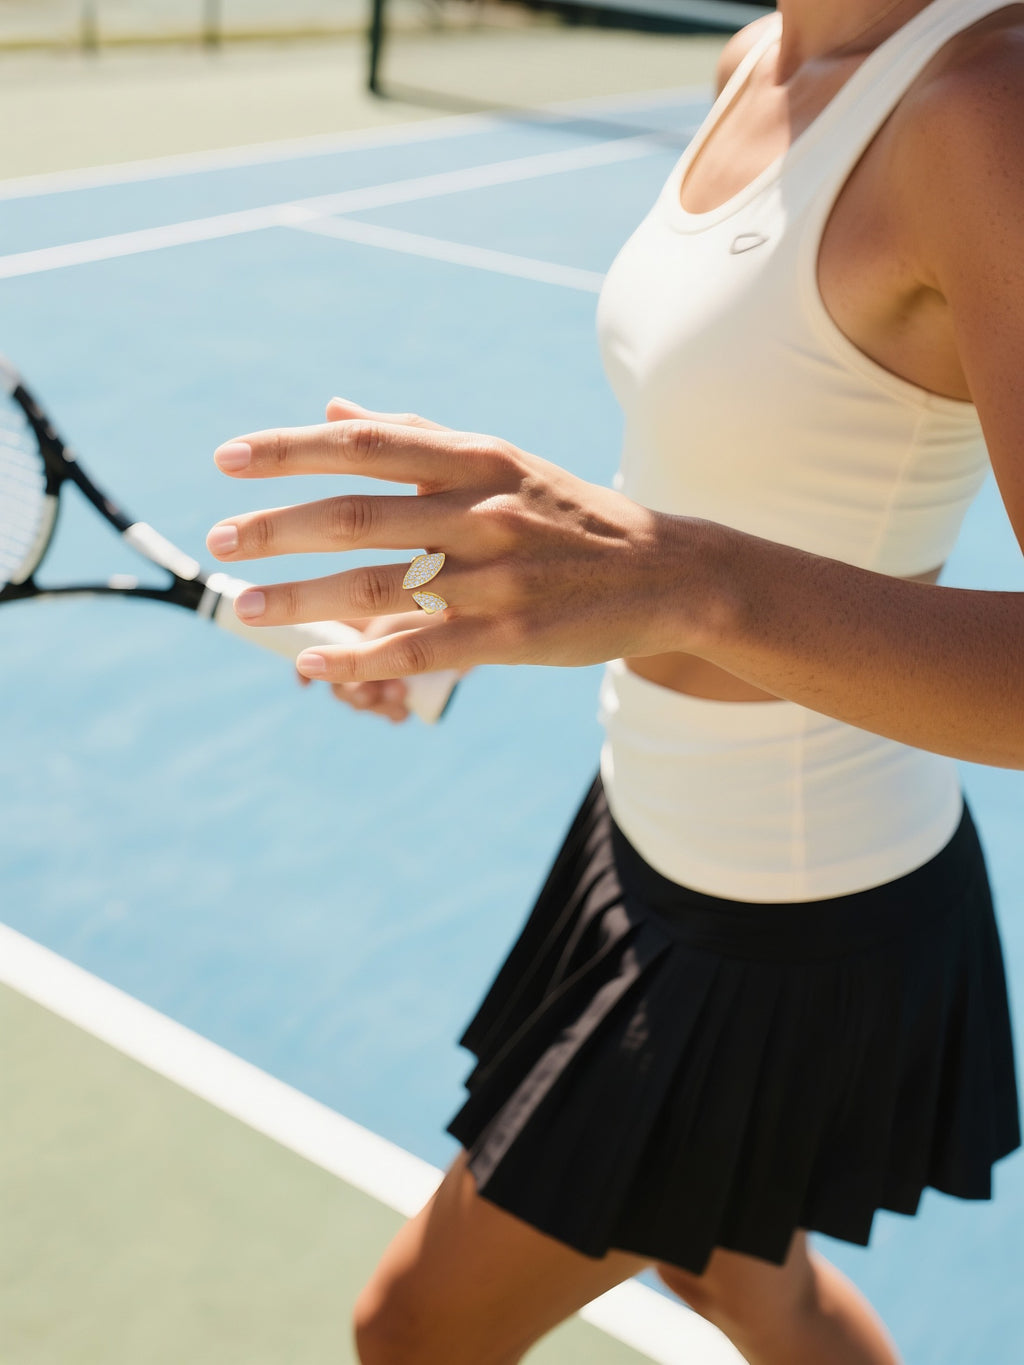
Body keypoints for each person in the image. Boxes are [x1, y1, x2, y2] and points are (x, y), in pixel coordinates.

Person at [204, 1, 1023, 1360]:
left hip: (782, 900)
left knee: (411, 1332)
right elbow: (710, 466)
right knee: (746, 1285)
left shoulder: (980, 111)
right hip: (649, 822)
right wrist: (466, 612)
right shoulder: (759, 53)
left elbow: (690, 556)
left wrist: (679, 577)